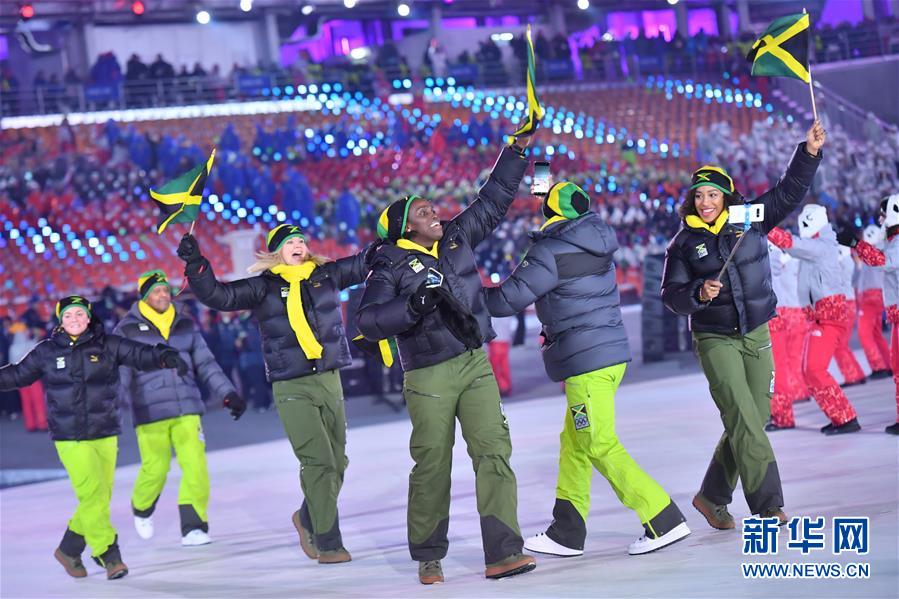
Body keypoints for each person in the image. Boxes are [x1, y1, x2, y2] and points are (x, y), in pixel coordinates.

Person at [356, 139, 536, 584]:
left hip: (475, 363)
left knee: (494, 452)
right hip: (428, 374)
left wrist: (515, 151)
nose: (434, 214)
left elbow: (493, 200)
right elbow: (368, 320)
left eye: (433, 208)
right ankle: (429, 554)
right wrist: (411, 306)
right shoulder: (389, 266)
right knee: (434, 463)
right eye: (422, 213)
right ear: (403, 227)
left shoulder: (456, 236)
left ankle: (504, 552)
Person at [485, 181, 690, 557]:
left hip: (586, 363)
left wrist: (465, 293)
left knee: (596, 441)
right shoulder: (596, 241)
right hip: (605, 357)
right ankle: (567, 529)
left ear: (551, 213)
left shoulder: (550, 251)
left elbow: (506, 300)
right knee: (575, 443)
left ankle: (662, 517)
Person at [661, 121, 825, 530]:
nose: (705, 202)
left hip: (756, 331)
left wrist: (808, 153)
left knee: (756, 414)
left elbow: (788, 193)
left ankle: (712, 496)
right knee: (742, 418)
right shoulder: (683, 243)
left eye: (712, 193)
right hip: (715, 338)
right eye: (698, 195)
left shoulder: (750, 218)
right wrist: (698, 292)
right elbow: (671, 295)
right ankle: (768, 506)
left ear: (727, 194)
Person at [177, 224, 370, 564]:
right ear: (275, 251)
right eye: (289, 242)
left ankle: (307, 516)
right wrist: (197, 266)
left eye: (300, 241)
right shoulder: (263, 287)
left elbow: (365, 261)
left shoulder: (325, 275)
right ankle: (328, 541)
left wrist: (397, 236)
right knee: (319, 463)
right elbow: (219, 296)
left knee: (338, 462)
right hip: (291, 383)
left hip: (329, 378)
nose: (297, 245)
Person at [0, 296, 186, 580]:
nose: (74, 320)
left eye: (79, 314)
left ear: (89, 318)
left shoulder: (107, 344)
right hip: (69, 436)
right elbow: (17, 375)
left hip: (104, 431)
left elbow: (137, 353)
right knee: (92, 494)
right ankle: (108, 554)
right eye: (68, 316)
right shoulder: (47, 352)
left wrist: (162, 356)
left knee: (99, 497)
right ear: (60, 321)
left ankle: (69, 548)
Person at [114, 270, 245, 547]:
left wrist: (228, 393)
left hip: (187, 407)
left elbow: (206, 364)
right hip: (149, 411)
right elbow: (121, 374)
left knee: (196, 467)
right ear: (144, 296)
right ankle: (142, 506)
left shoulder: (185, 324)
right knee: (156, 468)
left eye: (166, 290)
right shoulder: (126, 330)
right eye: (156, 291)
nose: (163, 295)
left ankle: (193, 527)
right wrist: (114, 408)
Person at [767, 204, 861, 434]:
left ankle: (846, 417)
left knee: (815, 370)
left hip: (828, 314)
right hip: (819, 316)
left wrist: (766, 226)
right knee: (811, 370)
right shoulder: (819, 245)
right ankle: (841, 417)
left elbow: (793, 244)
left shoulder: (822, 245)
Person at [838, 194, 899, 434]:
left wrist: (856, 244)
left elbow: (883, 261)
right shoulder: (892, 238)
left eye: (884, 213)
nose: (880, 218)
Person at [765, 242, 810, 431]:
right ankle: (775, 412)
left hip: (776, 312)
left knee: (779, 366)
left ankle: (783, 414)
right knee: (774, 367)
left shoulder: (767, 247)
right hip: (774, 311)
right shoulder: (767, 247)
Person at [851, 225, 892, 380]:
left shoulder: (868, 252)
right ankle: (889, 364)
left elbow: (857, 275)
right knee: (875, 333)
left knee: (864, 333)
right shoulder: (882, 250)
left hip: (869, 296)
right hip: (879, 294)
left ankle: (878, 366)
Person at [834, 245, 867, 386]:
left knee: (839, 344)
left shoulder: (841, 264)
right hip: (850, 302)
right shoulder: (850, 261)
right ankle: (857, 373)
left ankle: (852, 376)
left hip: (843, 303)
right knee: (842, 344)